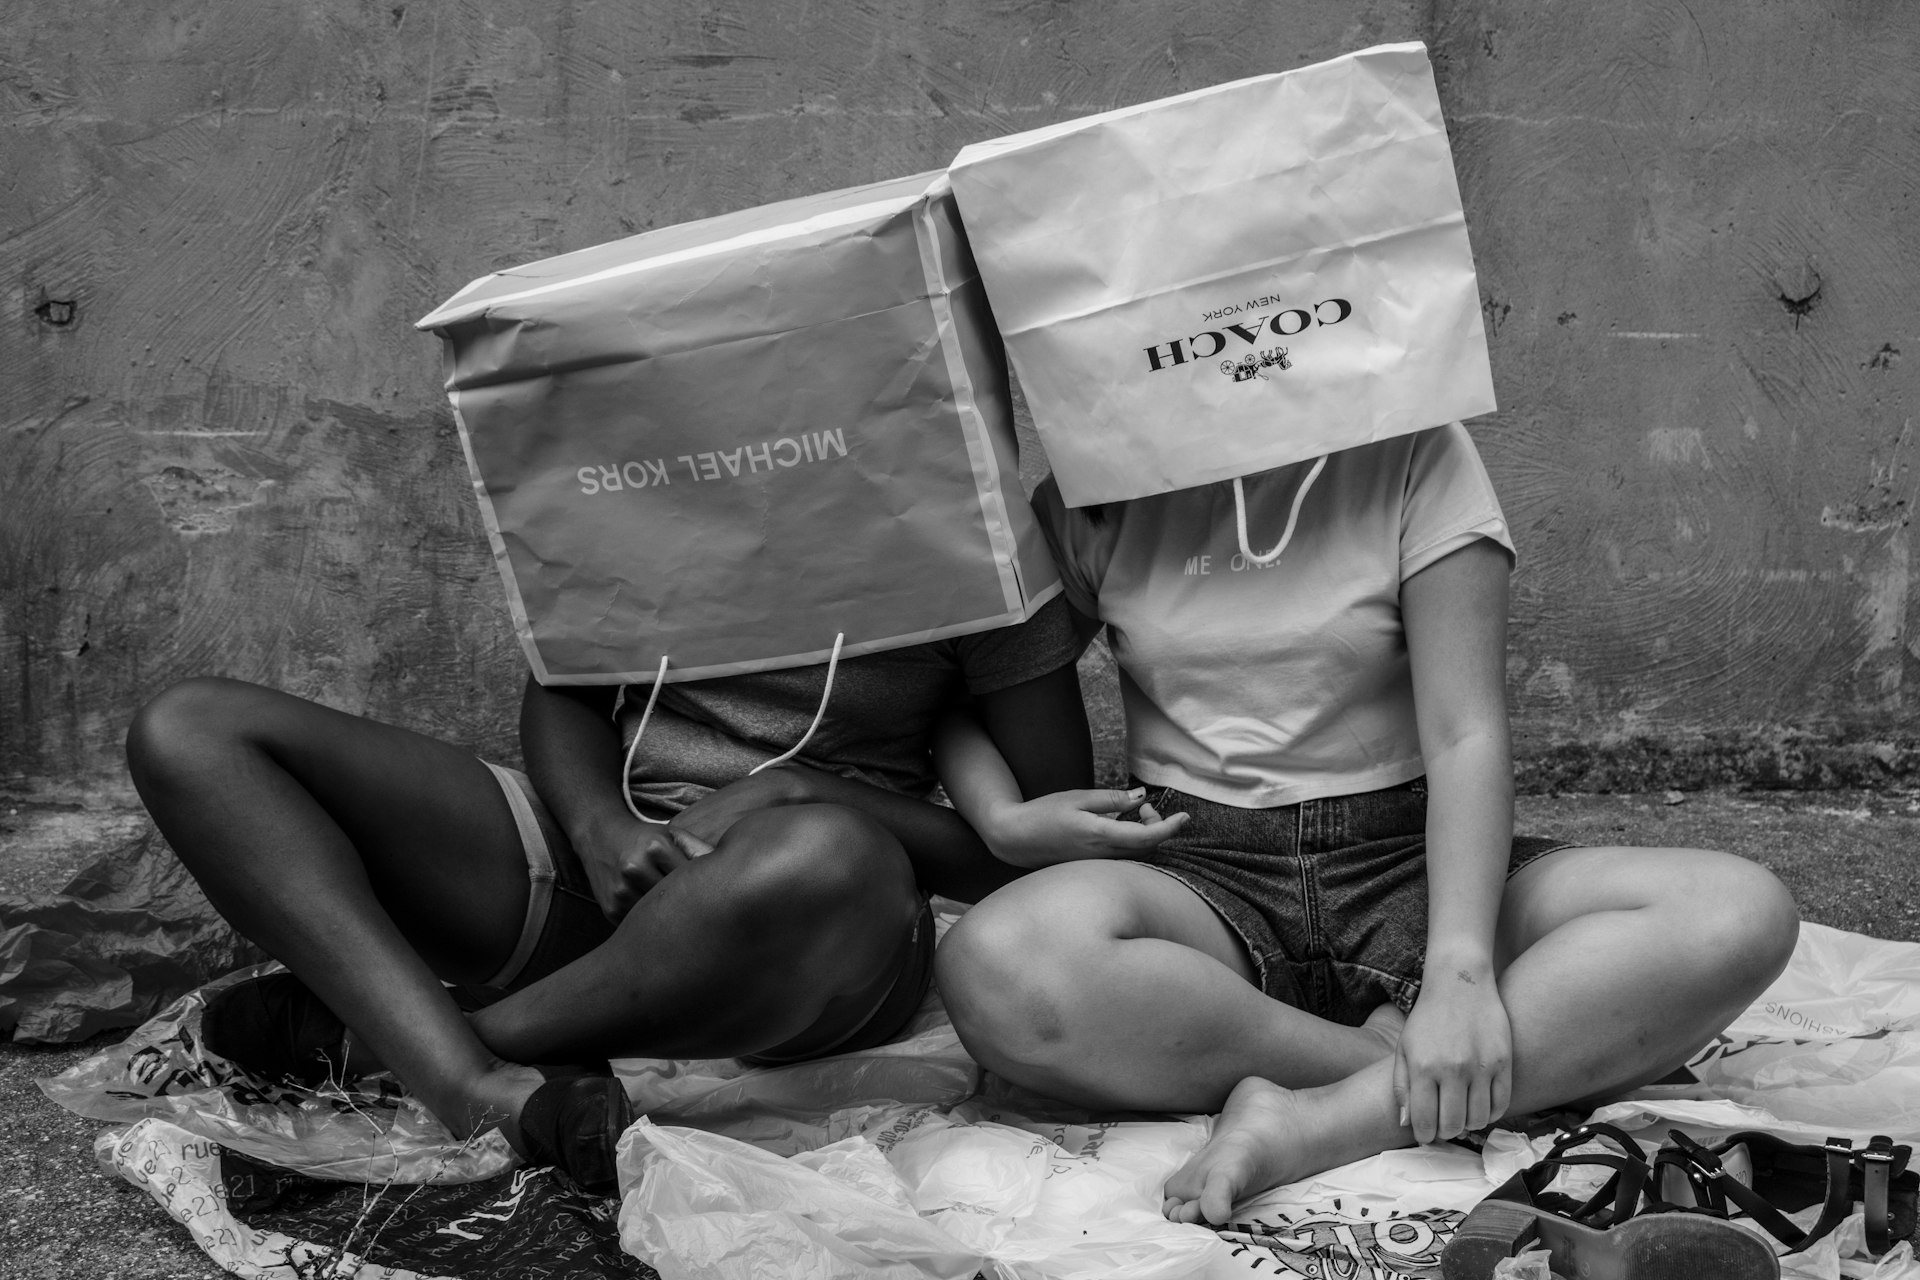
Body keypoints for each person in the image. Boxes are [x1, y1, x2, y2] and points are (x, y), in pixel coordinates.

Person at [929, 424, 1802, 1225]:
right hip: (1199, 876)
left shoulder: (1416, 449)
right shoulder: (1094, 486)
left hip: (1415, 866)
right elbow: (965, 677)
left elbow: (1466, 733)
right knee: (998, 963)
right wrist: (1003, 819)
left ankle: (1317, 1119)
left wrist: (1461, 975)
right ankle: (1414, 1067)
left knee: (1735, 912)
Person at [123, 595, 1102, 1193]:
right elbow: (566, 685)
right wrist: (598, 827)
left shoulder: (972, 549)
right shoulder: (660, 479)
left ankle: (395, 1042)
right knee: (192, 728)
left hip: (802, 935)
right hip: (597, 866)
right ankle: (469, 1081)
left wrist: (807, 788)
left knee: (821, 850)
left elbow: (1026, 853)